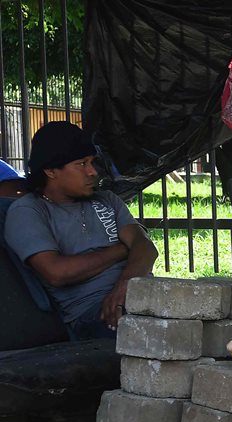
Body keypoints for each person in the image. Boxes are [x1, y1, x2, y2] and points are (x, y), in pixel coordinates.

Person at [4, 121, 157, 339]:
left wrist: (125, 286)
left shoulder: (107, 200)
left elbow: (146, 248)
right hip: (94, 314)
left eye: (92, 162)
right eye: (81, 164)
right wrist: (122, 249)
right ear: (50, 170)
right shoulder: (29, 211)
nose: (93, 172)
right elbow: (58, 273)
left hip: (140, 295)